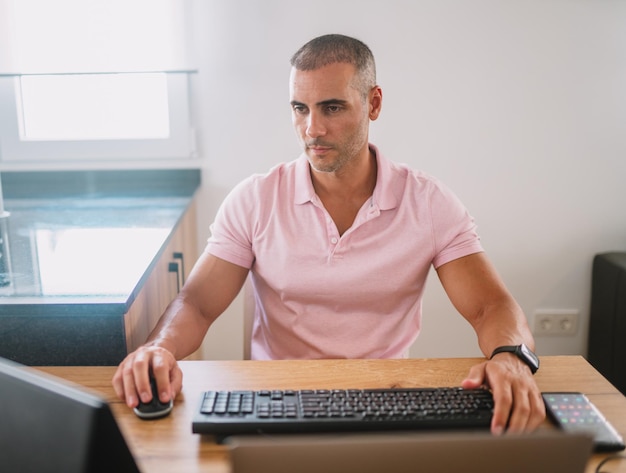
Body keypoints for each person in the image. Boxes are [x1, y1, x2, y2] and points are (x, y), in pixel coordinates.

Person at [113, 34, 545, 434]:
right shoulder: (256, 199)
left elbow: (491, 306)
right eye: (300, 108)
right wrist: (160, 348)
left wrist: (511, 358)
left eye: (332, 108)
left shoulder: (429, 202)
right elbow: (198, 304)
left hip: (385, 400)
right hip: (276, 402)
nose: (312, 129)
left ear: (374, 104)